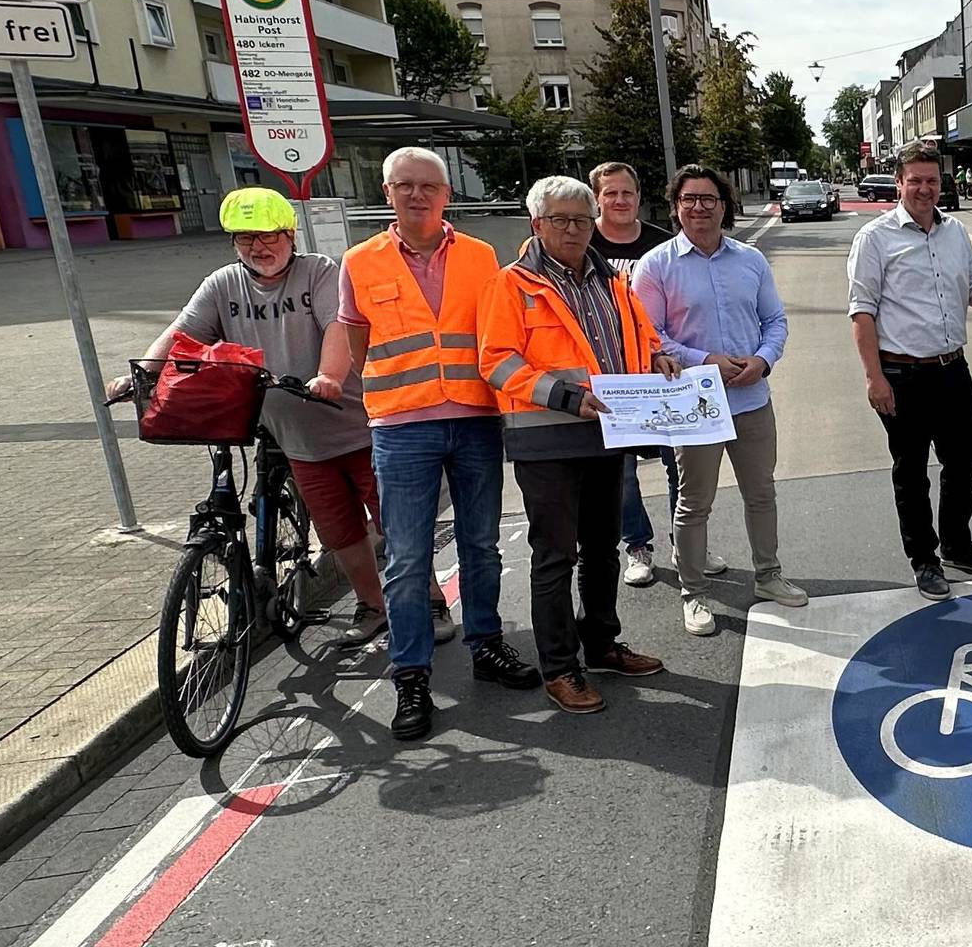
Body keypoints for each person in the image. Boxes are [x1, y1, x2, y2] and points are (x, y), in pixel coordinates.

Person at [312, 147, 540, 740]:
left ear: (446, 196)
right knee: (408, 556)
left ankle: (486, 643)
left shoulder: (481, 255)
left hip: (475, 416)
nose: (417, 196)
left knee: (481, 543)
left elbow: (496, 332)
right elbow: (355, 338)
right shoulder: (360, 261)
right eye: (404, 186)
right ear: (387, 193)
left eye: (429, 187)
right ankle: (411, 673)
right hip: (400, 424)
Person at [112, 188, 392, 648]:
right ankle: (374, 606)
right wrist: (142, 375)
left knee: (395, 520)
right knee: (338, 531)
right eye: (245, 240)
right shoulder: (223, 284)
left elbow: (338, 326)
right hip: (295, 437)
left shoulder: (319, 272)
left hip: (356, 426)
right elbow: (182, 332)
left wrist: (328, 376)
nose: (258, 248)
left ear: (289, 234)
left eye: (267, 237)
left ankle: (430, 602)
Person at [478, 176, 676, 715]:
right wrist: (565, 396)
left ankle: (603, 644)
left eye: (582, 220)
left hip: (609, 433)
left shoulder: (612, 281)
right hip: (548, 441)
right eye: (560, 220)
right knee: (555, 556)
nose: (573, 229)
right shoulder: (512, 284)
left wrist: (656, 357)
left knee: (602, 550)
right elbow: (496, 360)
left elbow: (640, 335)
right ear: (536, 225)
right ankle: (561, 668)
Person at [633, 164, 807, 635]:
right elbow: (651, 338)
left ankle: (769, 576)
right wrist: (705, 358)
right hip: (694, 403)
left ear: (725, 205)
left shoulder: (750, 260)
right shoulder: (656, 266)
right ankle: (694, 593)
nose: (699, 208)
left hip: (752, 398)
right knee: (694, 502)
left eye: (709, 199)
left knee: (761, 493)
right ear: (675, 208)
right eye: (688, 199)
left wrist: (763, 360)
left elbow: (775, 321)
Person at [846, 143, 972, 601]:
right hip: (901, 375)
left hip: (952, 370)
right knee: (911, 472)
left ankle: (958, 546)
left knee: (963, 464)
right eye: (915, 180)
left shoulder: (956, 232)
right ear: (899, 183)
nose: (925, 189)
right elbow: (861, 313)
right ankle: (924, 560)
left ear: (941, 183)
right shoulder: (875, 238)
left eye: (932, 180)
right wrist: (874, 377)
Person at [588, 162, 698, 592]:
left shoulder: (660, 244)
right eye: (610, 193)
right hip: (610, 378)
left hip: (659, 373)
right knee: (624, 472)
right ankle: (637, 545)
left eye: (627, 193)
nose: (619, 201)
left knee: (681, 465)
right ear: (597, 198)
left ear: (638, 196)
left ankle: (684, 543)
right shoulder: (584, 243)